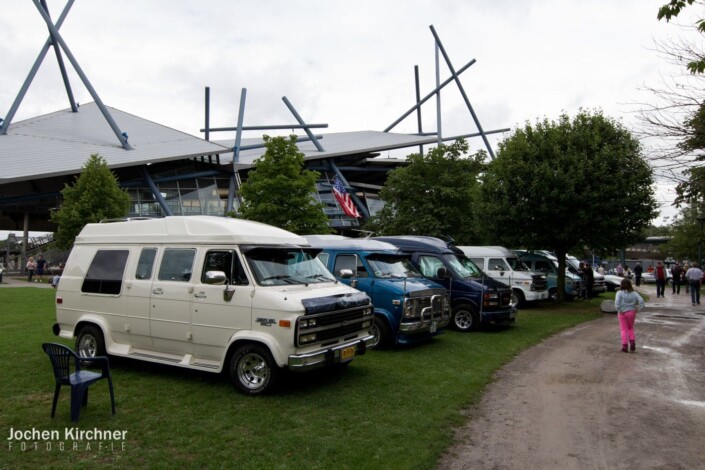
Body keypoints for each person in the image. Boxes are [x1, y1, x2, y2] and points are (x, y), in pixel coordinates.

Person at [614, 278, 645, 353]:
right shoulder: (634, 293)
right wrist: (639, 309)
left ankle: (624, 345)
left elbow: (617, 303)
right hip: (631, 312)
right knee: (630, 327)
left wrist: (619, 310)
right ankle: (632, 342)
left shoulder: (619, 293)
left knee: (623, 329)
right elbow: (641, 301)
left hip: (622, 313)